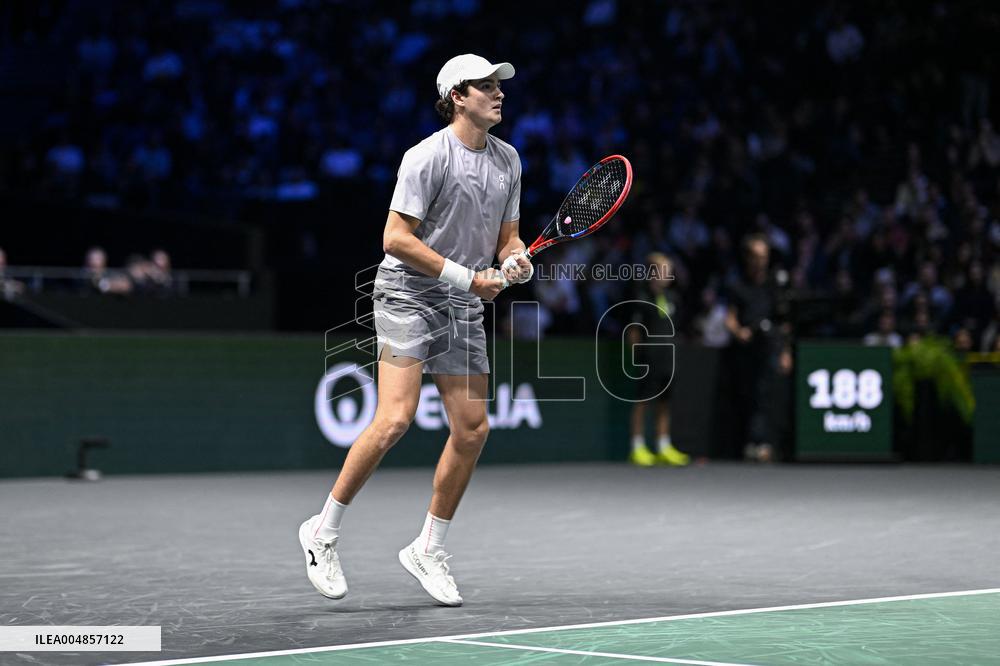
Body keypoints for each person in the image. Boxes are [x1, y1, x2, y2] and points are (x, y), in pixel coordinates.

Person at [298, 54, 531, 607]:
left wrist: (515, 260)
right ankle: (321, 532)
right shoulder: (426, 156)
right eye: (486, 86)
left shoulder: (508, 160)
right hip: (407, 292)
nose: (499, 93)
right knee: (396, 416)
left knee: (473, 429)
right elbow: (395, 239)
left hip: (462, 301)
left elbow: (508, 239)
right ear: (457, 95)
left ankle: (428, 547)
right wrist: (467, 277)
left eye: (501, 85)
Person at [627, 253, 690, 467]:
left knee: (665, 402)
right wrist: (637, 357)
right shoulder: (641, 298)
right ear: (652, 273)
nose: (668, 275)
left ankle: (663, 446)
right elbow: (634, 332)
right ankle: (637, 446)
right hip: (648, 358)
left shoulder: (673, 299)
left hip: (668, 357)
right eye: (664, 270)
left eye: (669, 270)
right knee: (642, 402)